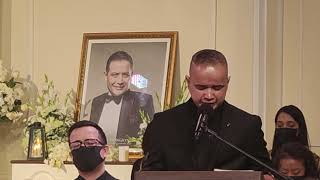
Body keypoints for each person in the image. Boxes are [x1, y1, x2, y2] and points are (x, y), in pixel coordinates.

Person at [141, 49, 271, 171]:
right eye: (201, 87)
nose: (209, 95)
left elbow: (264, 172)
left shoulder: (247, 125)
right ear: (188, 82)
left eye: (217, 87)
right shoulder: (163, 124)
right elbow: (149, 173)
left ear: (227, 82)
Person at [90, 51, 154, 144]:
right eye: (115, 75)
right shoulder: (97, 101)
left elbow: (150, 140)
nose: (120, 81)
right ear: (106, 76)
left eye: (125, 75)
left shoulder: (144, 101)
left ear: (132, 76)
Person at [271, 105, 320, 175]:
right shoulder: (267, 157)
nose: (285, 128)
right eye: (280, 126)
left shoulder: (314, 160)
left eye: (290, 125)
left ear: (299, 129)